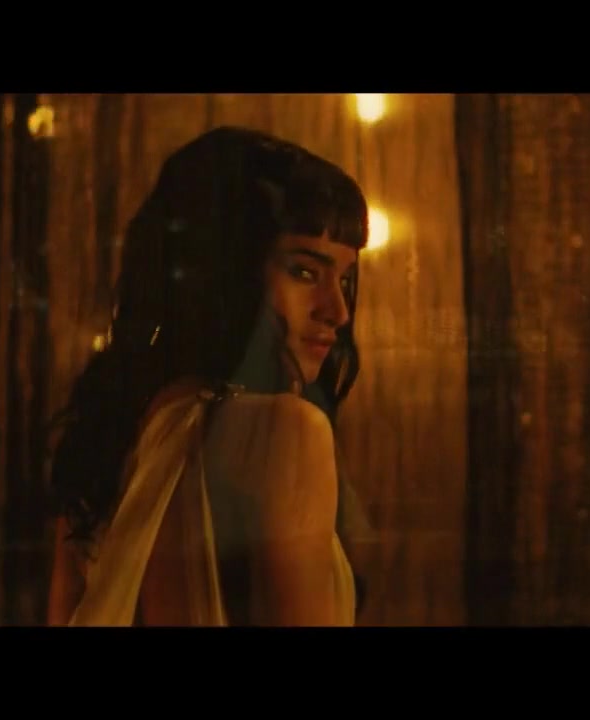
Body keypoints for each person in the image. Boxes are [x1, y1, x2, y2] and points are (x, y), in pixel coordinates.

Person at [46, 127, 373, 626]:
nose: (338, 311)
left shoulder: (105, 444)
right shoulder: (287, 433)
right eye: (305, 272)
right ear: (226, 272)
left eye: (345, 279)